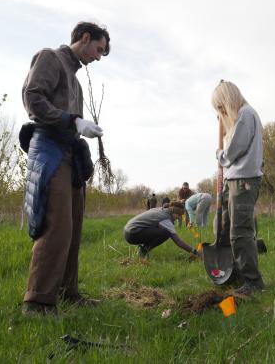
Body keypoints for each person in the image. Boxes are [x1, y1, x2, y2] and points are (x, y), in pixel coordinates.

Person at [21, 21, 110, 316]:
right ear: (84, 38)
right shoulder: (50, 58)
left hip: (71, 156)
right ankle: (37, 301)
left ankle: (67, 292)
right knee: (56, 225)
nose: (98, 57)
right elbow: (33, 98)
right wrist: (72, 121)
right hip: (49, 150)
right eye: (98, 49)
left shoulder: (77, 83)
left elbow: (76, 126)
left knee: (73, 227)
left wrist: (82, 133)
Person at [212, 80, 265, 296]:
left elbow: (232, 152)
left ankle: (253, 281)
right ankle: (234, 272)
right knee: (223, 227)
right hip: (232, 181)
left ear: (227, 100)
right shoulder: (238, 119)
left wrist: (219, 155)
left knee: (240, 232)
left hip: (243, 182)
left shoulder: (245, 115)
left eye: (221, 106)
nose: (221, 111)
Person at [124, 202, 201, 258]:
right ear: (174, 212)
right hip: (133, 234)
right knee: (166, 233)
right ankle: (144, 250)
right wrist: (195, 252)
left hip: (128, 230)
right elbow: (178, 242)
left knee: (161, 231)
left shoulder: (161, 209)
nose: (178, 218)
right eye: (178, 216)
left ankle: (143, 248)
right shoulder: (166, 219)